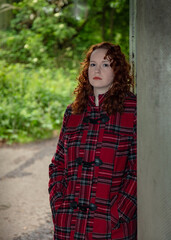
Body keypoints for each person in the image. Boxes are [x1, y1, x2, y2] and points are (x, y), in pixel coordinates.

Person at [48, 42, 137, 240]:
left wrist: (117, 214)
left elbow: (138, 170)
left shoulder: (132, 110)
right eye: (92, 64)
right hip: (69, 224)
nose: (97, 69)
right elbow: (58, 164)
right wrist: (58, 205)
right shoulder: (73, 111)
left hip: (110, 227)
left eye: (105, 64)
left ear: (117, 71)